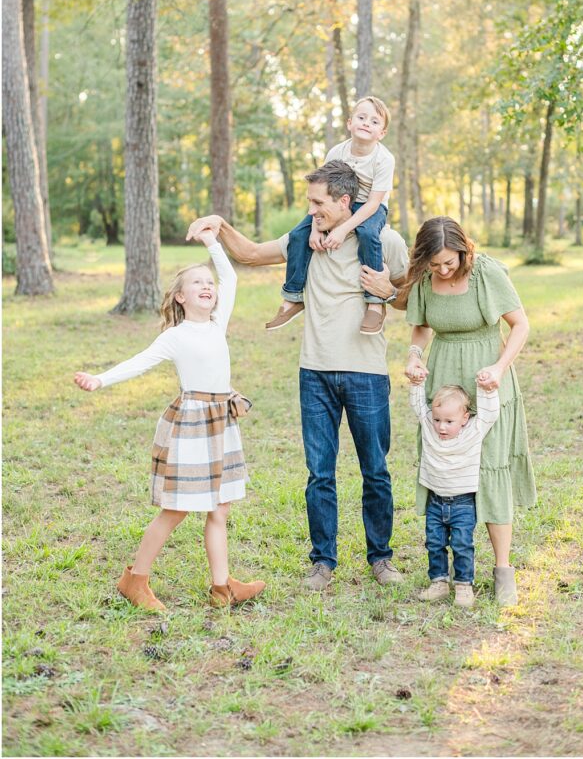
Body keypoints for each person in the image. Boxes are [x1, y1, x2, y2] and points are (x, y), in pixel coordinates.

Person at [187, 160, 409, 592]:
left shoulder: (385, 240)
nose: (312, 210)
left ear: (346, 202)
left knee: (375, 471)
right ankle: (322, 563)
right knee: (319, 473)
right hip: (315, 374)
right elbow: (250, 254)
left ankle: (381, 559)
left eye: (318, 202)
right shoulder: (305, 240)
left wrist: (390, 293)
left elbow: (405, 297)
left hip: (367, 374)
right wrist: (221, 224)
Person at [73, 230, 265, 612]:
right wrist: (100, 379)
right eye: (197, 283)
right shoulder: (175, 337)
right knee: (176, 509)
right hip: (192, 425)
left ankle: (222, 586)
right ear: (181, 296)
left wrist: (213, 242)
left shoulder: (217, 323)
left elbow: (231, 277)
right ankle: (135, 580)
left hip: (221, 423)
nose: (207, 286)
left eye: (208, 283)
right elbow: (138, 361)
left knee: (220, 508)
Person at [362, 215, 536, 606]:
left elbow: (520, 325)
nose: (442, 270)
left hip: (487, 375)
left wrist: (499, 367)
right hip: (443, 377)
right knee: (447, 468)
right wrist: (412, 356)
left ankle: (503, 571)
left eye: (449, 262)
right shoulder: (424, 276)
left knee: (489, 468)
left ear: (463, 250)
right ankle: (444, 574)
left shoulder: (485, 272)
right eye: (435, 264)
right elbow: (421, 326)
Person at [266, 97, 395, 336]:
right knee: (298, 234)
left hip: (370, 206)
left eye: (374, 121)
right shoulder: (337, 151)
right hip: (335, 203)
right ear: (349, 122)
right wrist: (316, 227)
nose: (367, 123)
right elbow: (320, 190)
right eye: (361, 117)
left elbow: (374, 202)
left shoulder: (384, 159)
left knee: (368, 234)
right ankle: (293, 296)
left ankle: (375, 302)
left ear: (382, 132)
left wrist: (342, 229)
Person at [408, 378, 500, 607]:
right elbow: (418, 405)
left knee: (462, 545)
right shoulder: (430, 427)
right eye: (438, 419)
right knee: (434, 543)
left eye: (449, 421)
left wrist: (487, 389)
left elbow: (489, 413)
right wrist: (416, 382)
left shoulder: (473, 432)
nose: (442, 426)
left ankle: (463, 585)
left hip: (463, 503)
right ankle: (438, 582)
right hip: (435, 501)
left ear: (464, 418)